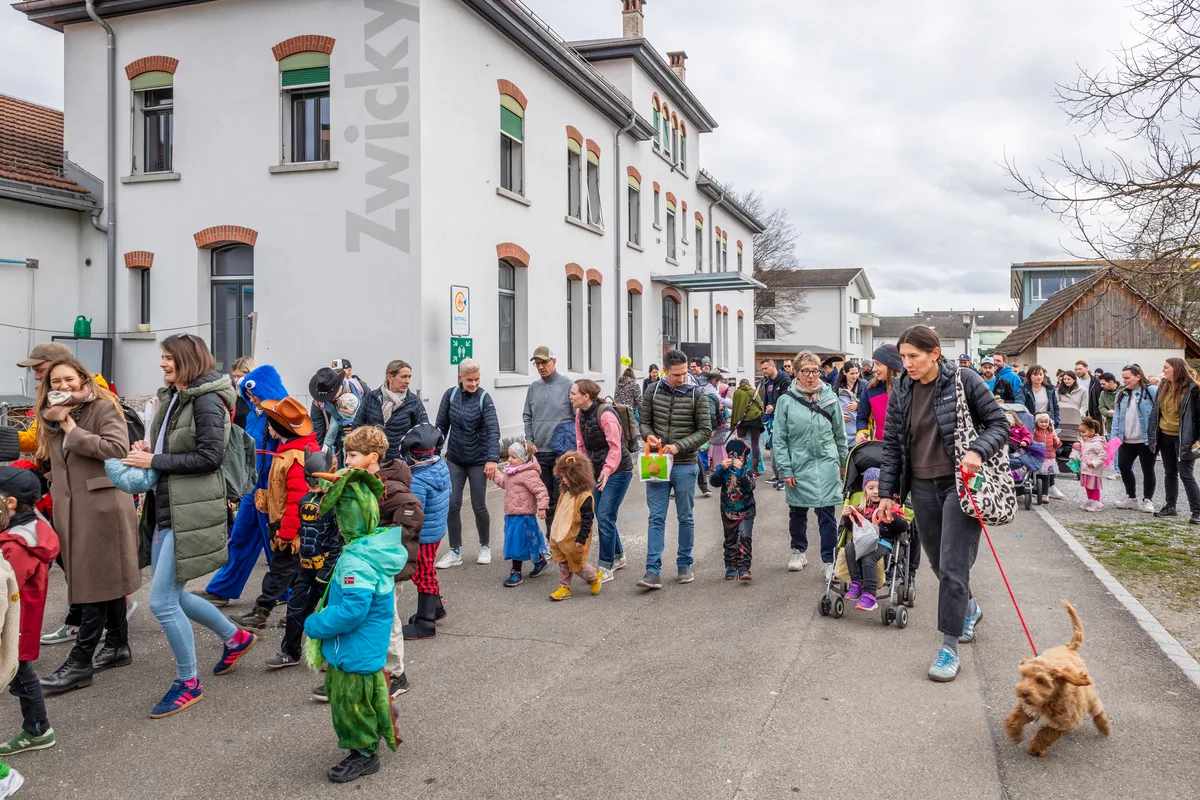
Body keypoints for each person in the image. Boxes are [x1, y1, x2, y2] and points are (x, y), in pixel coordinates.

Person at [121, 334, 257, 717]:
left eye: (168, 358)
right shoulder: (173, 397)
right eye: (161, 357)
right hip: (170, 508)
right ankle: (236, 637)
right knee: (175, 597)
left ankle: (188, 683)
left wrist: (155, 463)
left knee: (162, 602)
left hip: (190, 511)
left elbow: (210, 457)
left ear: (188, 361)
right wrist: (150, 452)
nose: (162, 364)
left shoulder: (207, 400)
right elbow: (175, 449)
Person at [876, 325, 1008, 683]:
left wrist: (977, 451)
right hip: (920, 486)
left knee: (951, 564)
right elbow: (891, 446)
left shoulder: (964, 379)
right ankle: (968, 606)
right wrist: (888, 494)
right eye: (902, 357)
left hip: (960, 486)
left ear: (935, 353)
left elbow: (1000, 424)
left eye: (913, 357)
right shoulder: (901, 387)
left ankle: (949, 647)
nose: (907, 364)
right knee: (937, 561)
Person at [33, 358, 140, 697]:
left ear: (82, 377)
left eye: (67, 379)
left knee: (92, 581)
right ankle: (118, 645)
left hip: (102, 506)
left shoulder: (102, 407)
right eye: (55, 381)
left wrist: (70, 430)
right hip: (71, 506)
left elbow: (116, 449)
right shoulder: (52, 415)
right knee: (102, 577)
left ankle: (80, 662)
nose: (61, 386)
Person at [302, 468, 403, 784]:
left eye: (340, 515)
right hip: (364, 648)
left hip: (355, 649)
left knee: (348, 703)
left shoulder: (356, 561)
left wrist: (316, 624)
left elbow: (351, 611)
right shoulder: (373, 548)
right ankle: (374, 720)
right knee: (361, 695)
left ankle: (363, 754)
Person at [201, 363, 289, 606]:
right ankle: (222, 588)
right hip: (253, 485)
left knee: (276, 539)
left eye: (255, 393)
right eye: (249, 394)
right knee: (241, 535)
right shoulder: (253, 415)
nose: (252, 398)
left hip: (275, 485)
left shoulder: (283, 412)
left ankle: (286, 591)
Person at [229, 397, 318, 631]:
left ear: (279, 428)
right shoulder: (290, 451)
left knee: (279, 573)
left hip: (291, 532)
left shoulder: (295, 458)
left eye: (270, 424)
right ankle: (298, 614)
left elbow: (297, 500)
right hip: (291, 528)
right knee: (299, 576)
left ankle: (261, 612)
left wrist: (286, 534)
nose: (268, 428)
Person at [357, 426, 424, 699]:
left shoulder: (392, 489)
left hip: (385, 569)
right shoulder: (361, 482)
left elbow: (411, 516)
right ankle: (365, 669)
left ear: (372, 457)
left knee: (388, 620)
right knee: (367, 618)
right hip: (365, 566)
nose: (346, 461)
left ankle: (397, 674)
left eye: (352, 455)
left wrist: (379, 544)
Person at [636, 349, 712, 589]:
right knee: (656, 517)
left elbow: (705, 430)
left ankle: (684, 564)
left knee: (685, 517)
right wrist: (651, 438)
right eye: (677, 374)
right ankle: (652, 570)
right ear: (665, 371)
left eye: (684, 373)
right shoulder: (652, 390)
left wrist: (679, 446)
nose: (682, 378)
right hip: (657, 463)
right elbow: (644, 422)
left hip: (686, 464)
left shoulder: (696, 394)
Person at [774, 351, 848, 579]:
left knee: (827, 512)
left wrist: (844, 463)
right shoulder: (785, 401)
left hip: (826, 461)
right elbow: (779, 438)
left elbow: (839, 433)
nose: (811, 376)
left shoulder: (830, 397)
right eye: (805, 371)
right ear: (796, 373)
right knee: (798, 510)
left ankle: (829, 560)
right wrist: (785, 469)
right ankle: (798, 550)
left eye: (815, 371)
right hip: (798, 463)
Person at [0, 467, 58, 756]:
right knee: (20, 676)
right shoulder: (29, 528)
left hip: (13, 625)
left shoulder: (16, 545)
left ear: (9, 503)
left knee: (21, 676)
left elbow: (5, 586)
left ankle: (38, 729)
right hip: (19, 622)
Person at [267, 451, 342, 671]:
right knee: (295, 609)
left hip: (327, 570)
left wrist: (326, 573)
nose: (313, 484)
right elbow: (305, 532)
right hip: (306, 567)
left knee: (332, 615)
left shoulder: (335, 504)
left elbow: (336, 542)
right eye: (309, 478)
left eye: (317, 478)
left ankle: (334, 655)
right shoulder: (303, 501)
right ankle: (289, 651)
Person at [434, 359, 500, 568]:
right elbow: (440, 427)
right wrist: (433, 455)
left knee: (478, 504)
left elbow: (493, 430)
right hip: (455, 458)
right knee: (452, 503)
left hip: (478, 461)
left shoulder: (484, 398)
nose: (473, 383)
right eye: (469, 380)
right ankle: (455, 551)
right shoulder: (450, 395)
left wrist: (492, 459)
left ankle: (485, 546)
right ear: (460, 378)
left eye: (477, 379)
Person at [571, 379, 633, 581]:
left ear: (586, 396)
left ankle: (605, 566)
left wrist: (607, 470)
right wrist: (583, 470)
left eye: (574, 393)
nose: (570, 397)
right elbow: (581, 445)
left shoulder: (606, 415)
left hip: (619, 470)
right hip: (597, 471)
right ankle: (619, 555)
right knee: (600, 514)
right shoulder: (580, 414)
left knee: (605, 515)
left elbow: (615, 447)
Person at [399, 424, 450, 641]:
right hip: (436, 529)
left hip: (423, 534)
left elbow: (413, 512)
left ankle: (426, 623)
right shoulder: (440, 467)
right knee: (426, 568)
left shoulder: (418, 479)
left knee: (422, 572)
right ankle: (436, 608)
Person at [842, 467, 909, 612]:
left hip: (882, 541)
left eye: (880, 488)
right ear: (864, 489)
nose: (876, 491)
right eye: (871, 487)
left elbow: (903, 526)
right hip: (863, 541)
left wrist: (890, 518)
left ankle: (870, 594)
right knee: (849, 548)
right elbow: (852, 528)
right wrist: (848, 517)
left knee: (869, 557)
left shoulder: (892, 506)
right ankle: (857, 584)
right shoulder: (861, 508)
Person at [522, 347, 573, 531]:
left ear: (554, 361)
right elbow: (527, 415)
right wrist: (530, 441)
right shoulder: (533, 388)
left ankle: (562, 539)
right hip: (540, 452)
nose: (541, 367)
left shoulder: (568, 384)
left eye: (544, 362)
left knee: (562, 498)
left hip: (561, 453)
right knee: (547, 499)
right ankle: (552, 541)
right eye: (537, 364)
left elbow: (577, 418)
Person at [490, 438, 550, 587]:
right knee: (528, 541)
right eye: (508, 456)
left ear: (524, 459)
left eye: (513, 457)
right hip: (511, 514)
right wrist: (494, 475)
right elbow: (504, 483)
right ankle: (539, 561)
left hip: (524, 516)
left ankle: (516, 572)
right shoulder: (511, 472)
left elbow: (540, 490)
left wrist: (542, 507)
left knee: (517, 543)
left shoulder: (528, 474)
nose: (509, 459)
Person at [546, 452, 602, 601]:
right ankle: (565, 587)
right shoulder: (565, 493)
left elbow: (587, 520)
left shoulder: (584, 497)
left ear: (577, 477)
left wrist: (581, 538)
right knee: (562, 562)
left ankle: (594, 576)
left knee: (577, 565)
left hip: (574, 538)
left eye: (566, 477)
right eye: (562, 477)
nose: (563, 480)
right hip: (560, 535)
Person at [1150, 358, 1200, 523]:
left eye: (1166, 367)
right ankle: (1170, 507)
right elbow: (1157, 411)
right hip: (1165, 435)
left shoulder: (1193, 389)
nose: (1163, 370)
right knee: (1170, 473)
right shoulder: (1163, 385)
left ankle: (1197, 512)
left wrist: (1198, 439)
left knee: (1186, 474)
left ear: (1177, 369)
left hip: (1184, 439)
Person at [353, 360, 428, 463]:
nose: (407, 381)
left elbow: (423, 432)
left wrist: (410, 458)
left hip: (400, 462)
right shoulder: (372, 397)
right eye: (403, 376)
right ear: (389, 377)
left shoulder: (413, 401)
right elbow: (358, 426)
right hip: (372, 460)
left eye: (409, 377)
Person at [1111, 364, 1159, 513]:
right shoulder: (1121, 394)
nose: (1124, 381)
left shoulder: (1151, 391)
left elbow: (1159, 412)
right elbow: (1117, 419)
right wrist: (1114, 440)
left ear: (1138, 376)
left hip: (1145, 440)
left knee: (1148, 469)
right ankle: (1131, 498)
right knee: (1123, 466)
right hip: (1126, 439)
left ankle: (1148, 500)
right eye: (1123, 378)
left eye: (1127, 378)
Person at [711, 438, 756, 581]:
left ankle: (744, 567)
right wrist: (720, 468)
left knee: (744, 537)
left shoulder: (747, 471)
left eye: (739, 457)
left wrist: (741, 471)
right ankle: (731, 566)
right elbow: (714, 482)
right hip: (728, 511)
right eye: (732, 456)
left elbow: (750, 486)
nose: (735, 459)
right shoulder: (724, 471)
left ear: (745, 458)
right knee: (730, 539)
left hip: (746, 510)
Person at [856, 344, 903, 443]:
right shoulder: (870, 389)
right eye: (873, 364)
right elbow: (862, 418)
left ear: (892, 365)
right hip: (881, 447)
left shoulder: (909, 388)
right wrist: (863, 434)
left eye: (878, 364)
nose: (873, 369)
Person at [758, 359, 792, 489]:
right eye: (763, 369)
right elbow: (766, 398)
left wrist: (774, 406)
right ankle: (777, 475)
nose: (764, 371)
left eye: (766, 368)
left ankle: (784, 477)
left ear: (773, 367)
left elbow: (787, 398)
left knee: (780, 447)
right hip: (770, 418)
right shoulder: (767, 381)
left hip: (782, 418)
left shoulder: (784, 379)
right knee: (772, 446)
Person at [309, 367, 355, 458]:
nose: (328, 399)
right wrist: (318, 457)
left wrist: (357, 426)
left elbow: (371, 419)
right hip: (333, 445)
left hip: (355, 444)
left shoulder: (360, 391)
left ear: (339, 386)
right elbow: (318, 432)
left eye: (331, 395)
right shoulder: (318, 402)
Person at [731, 379, 765, 475]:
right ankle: (755, 469)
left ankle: (740, 466)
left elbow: (735, 408)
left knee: (741, 443)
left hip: (742, 420)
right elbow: (760, 405)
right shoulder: (753, 391)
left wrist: (734, 423)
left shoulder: (737, 392)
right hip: (755, 419)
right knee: (755, 444)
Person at [1075, 417, 1107, 512]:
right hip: (1086, 468)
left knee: (1094, 487)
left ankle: (1096, 502)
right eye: (1080, 432)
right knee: (1088, 486)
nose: (1081, 434)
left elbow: (1103, 455)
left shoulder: (1096, 443)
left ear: (1092, 432)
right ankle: (1090, 500)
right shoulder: (1085, 441)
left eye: (1083, 432)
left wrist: (1094, 463)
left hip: (1093, 470)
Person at [834, 362, 866, 448]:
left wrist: (858, 405)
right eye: (852, 373)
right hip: (844, 427)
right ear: (845, 372)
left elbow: (870, 405)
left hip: (858, 427)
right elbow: (832, 405)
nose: (855, 376)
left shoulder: (865, 386)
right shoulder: (837, 387)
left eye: (857, 373)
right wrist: (839, 413)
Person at [1032, 413, 1061, 505]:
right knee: (1037, 475)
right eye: (1041, 422)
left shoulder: (1051, 432)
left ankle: (1045, 494)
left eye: (1046, 422)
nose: (1044, 424)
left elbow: (1056, 445)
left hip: (1049, 457)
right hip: (1038, 457)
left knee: (1046, 476)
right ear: (1037, 422)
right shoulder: (1034, 431)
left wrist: (1058, 441)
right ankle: (1037, 491)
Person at [1057, 372, 1088, 454]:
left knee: (1076, 439)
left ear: (1074, 379)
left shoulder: (1083, 390)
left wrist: (1078, 414)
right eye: (1064, 379)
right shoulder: (1058, 391)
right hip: (1062, 419)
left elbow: (1084, 405)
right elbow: (1056, 405)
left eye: (1068, 379)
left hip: (1077, 420)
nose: (1066, 381)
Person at [229, 356, 255, 430]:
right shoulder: (232, 393)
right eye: (234, 376)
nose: (236, 380)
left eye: (239, 376)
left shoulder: (258, 396)